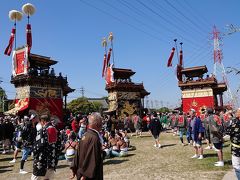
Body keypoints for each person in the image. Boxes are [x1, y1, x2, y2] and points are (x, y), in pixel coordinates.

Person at [70, 112, 103, 180]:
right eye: (101, 122)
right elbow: (92, 157)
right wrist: (85, 175)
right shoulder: (94, 138)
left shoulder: (85, 135)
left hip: (81, 170)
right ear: (97, 124)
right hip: (89, 176)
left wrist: (74, 166)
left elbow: (77, 153)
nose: (102, 124)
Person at [31, 114, 62, 180]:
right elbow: (60, 146)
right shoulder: (57, 130)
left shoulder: (43, 130)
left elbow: (38, 146)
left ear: (43, 121)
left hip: (42, 159)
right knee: (48, 178)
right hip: (52, 160)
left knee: (35, 178)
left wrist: (34, 153)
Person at [226, 108, 240, 179]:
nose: (235, 113)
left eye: (237, 112)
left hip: (237, 148)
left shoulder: (236, 123)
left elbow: (228, 131)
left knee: (236, 166)